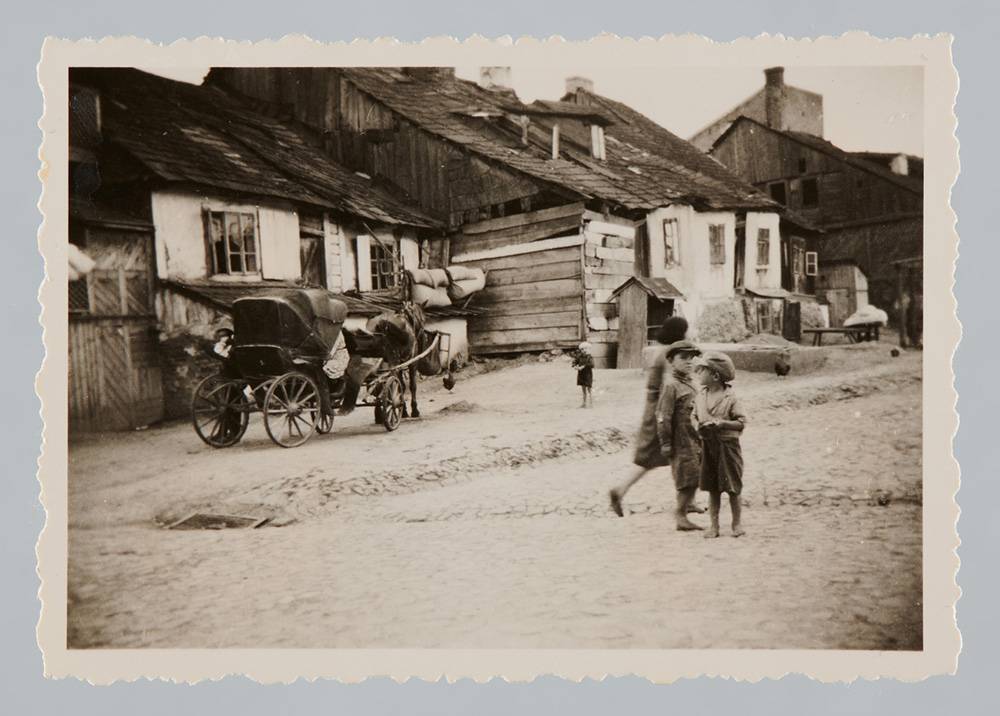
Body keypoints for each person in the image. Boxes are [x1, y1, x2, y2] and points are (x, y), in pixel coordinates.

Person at [608, 315, 698, 519]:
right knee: (670, 455)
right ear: (680, 333)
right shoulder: (669, 355)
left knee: (676, 455)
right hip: (662, 411)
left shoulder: (662, 352)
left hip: (655, 409)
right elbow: (669, 386)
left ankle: (688, 501)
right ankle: (620, 491)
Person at [692, 351, 747, 538]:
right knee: (712, 488)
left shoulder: (730, 398)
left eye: (702, 371)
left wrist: (722, 423)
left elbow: (741, 422)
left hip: (728, 448)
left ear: (715, 376)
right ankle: (714, 526)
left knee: (732, 487)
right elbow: (693, 415)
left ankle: (736, 524)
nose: (698, 374)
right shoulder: (701, 396)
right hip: (708, 447)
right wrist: (697, 426)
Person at [572, 342, 595, 408]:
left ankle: (591, 403)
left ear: (589, 349)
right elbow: (574, 362)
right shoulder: (579, 356)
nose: (584, 350)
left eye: (585, 349)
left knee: (589, 389)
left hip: (587, 374)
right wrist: (575, 366)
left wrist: (584, 366)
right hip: (581, 374)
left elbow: (592, 365)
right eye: (582, 349)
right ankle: (584, 403)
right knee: (583, 389)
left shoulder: (589, 357)